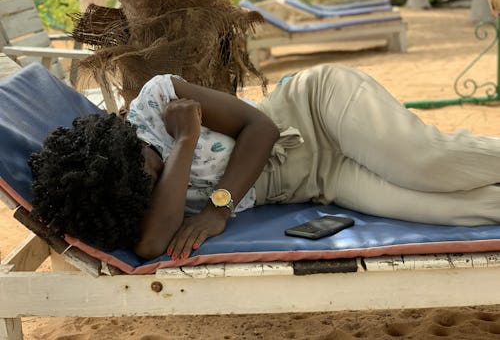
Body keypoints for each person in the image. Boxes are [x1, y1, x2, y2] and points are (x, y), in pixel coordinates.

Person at [30, 65, 500, 261]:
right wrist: (185, 144)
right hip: (321, 179)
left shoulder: (158, 98)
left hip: (319, 113)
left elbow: (262, 128)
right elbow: (153, 243)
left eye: (145, 162)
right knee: (455, 211)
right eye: (147, 183)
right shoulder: (131, 197)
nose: (155, 174)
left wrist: (218, 207)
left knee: (427, 164)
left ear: (120, 139)